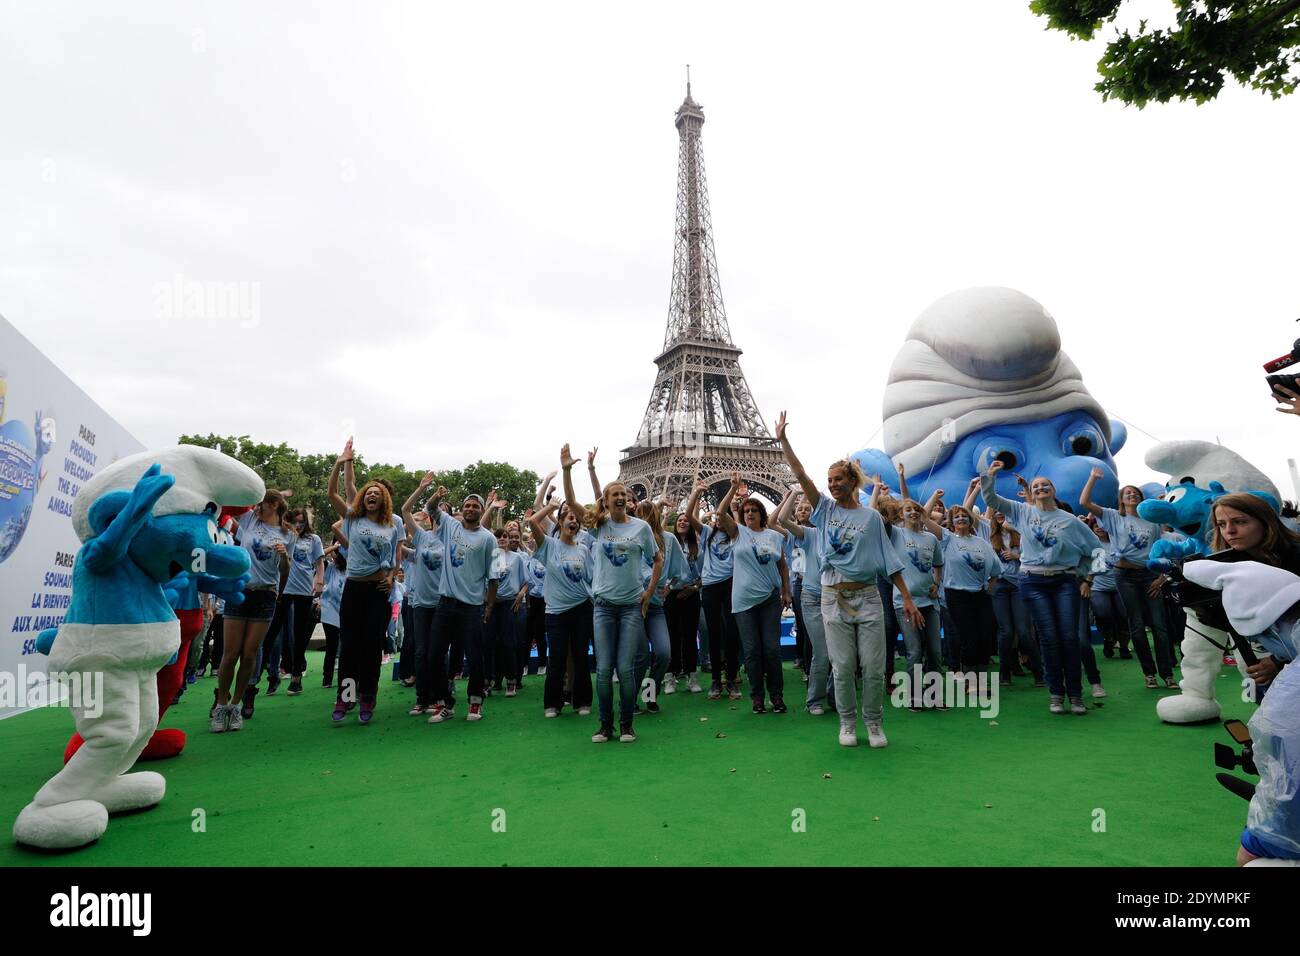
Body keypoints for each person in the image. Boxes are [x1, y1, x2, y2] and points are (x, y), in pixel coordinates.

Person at [777, 411, 923, 748]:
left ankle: (873, 723)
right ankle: (847, 723)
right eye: (829, 481)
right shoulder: (825, 511)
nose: (832, 485)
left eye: (838, 480)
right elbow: (801, 476)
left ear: (852, 481)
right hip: (832, 597)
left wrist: (908, 598)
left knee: (871, 668)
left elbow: (891, 562)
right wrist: (783, 441)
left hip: (869, 597)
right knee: (842, 667)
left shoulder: (871, 518)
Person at [561, 443, 661, 744]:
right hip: (603, 606)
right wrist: (567, 470)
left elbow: (657, 559)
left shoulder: (642, 528)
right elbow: (571, 501)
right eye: (613, 493)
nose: (619, 497)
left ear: (629, 500)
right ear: (605, 501)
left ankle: (627, 724)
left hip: (631, 607)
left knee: (626, 670)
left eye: (623, 494)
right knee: (604, 669)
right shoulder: (599, 526)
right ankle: (605, 725)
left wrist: (648, 593)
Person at [981, 459, 1098, 715]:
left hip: (1064, 581)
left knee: (1069, 637)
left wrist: (1086, 577)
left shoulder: (1070, 520)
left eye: (1045, 485)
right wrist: (989, 475)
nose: (1040, 488)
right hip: (1033, 581)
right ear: (1031, 492)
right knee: (1048, 638)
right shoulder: (1023, 512)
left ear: (1053, 490)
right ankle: (1056, 694)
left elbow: (1097, 551)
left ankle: (1076, 695)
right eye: (1036, 486)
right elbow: (991, 499)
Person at [325, 441, 402, 724]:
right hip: (354, 590)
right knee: (350, 647)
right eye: (368, 492)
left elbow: (395, 559)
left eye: (377, 494)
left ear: (383, 500)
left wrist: (392, 577)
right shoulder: (353, 519)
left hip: (378, 593)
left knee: (371, 648)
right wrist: (342, 461)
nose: (372, 495)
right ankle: (346, 698)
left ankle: (368, 697)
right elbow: (335, 491)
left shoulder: (392, 525)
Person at [1079, 467, 1175, 688]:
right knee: (1137, 625)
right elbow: (1084, 501)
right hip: (1125, 576)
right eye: (1127, 493)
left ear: (1141, 499)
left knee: (1159, 626)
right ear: (1121, 499)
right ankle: (1149, 673)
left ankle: (1167, 674)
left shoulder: (1152, 522)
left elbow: (1160, 550)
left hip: (1151, 575)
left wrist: (1161, 577)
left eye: (1136, 493)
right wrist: (1092, 477)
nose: (1132, 495)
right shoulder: (1113, 517)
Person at [414, 476, 499, 723]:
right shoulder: (450, 526)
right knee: (433, 655)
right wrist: (436, 496)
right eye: (467, 505)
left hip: (472, 607)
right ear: (462, 509)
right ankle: (445, 703)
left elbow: (494, 577)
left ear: (482, 511)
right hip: (445, 604)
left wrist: (489, 606)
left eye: (475, 506)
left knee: (474, 658)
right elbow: (430, 510)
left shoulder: (488, 538)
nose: (470, 509)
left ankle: (475, 703)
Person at [211, 491, 293, 732]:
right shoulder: (249, 520)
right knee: (230, 653)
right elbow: (227, 505)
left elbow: (284, 571)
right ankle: (220, 705)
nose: (257, 506)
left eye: (261, 503)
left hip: (266, 594)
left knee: (249, 654)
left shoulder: (288, 533)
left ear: (274, 505)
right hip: (240, 590)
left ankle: (236, 705)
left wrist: (284, 556)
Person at [715, 474, 790, 713]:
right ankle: (757, 697)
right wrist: (733, 489)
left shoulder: (774, 536)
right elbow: (719, 513)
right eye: (746, 511)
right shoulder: (738, 533)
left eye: (753, 511)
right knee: (752, 651)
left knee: (771, 649)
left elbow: (782, 565)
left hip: (769, 599)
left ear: (761, 514)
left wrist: (786, 591)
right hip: (744, 602)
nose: (749, 514)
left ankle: (776, 696)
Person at [919, 494, 1004, 690]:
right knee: (969, 636)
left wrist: (989, 588)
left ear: (971, 519)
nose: (961, 519)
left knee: (984, 636)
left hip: (980, 594)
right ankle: (970, 681)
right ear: (952, 521)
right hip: (956, 594)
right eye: (956, 516)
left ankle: (981, 680)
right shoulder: (947, 539)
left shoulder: (982, 542)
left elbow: (996, 571)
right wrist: (935, 496)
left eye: (964, 515)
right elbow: (924, 517)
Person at [528, 501, 594, 717]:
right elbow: (532, 521)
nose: (573, 520)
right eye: (568, 517)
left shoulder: (584, 550)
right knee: (556, 658)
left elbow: (591, 578)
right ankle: (552, 703)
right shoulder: (548, 545)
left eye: (576, 518)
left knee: (580, 656)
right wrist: (552, 506)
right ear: (560, 522)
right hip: (555, 612)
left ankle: (582, 701)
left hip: (581, 609)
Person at [683, 479, 743, 700]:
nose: (718, 519)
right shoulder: (708, 533)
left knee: (731, 632)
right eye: (716, 517)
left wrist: (733, 489)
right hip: (710, 587)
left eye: (721, 517)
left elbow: (723, 512)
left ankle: (732, 677)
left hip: (730, 585)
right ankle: (717, 680)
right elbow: (689, 516)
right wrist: (696, 493)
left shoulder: (736, 534)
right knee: (715, 634)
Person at [888, 496, 944, 707]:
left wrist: (936, 584)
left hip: (929, 603)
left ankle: (935, 695)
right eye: (908, 509)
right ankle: (914, 696)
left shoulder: (931, 539)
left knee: (935, 651)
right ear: (901, 514)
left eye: (917, 510)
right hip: (905, 602)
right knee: (915, 651)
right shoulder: (896, 533)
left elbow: (938, 564)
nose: (913, 512)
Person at [778, 490, 830, 714]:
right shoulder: (809, 534)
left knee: (840, 653)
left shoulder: (839, 533)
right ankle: (815, 699)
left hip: (838, 596)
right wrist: (795, 494)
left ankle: (837, 697)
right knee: (822, 651)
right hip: (811, 594)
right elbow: (780, 520)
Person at [635, 499, 684, 713]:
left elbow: (680, 570)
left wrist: (670, 586)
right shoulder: (631, 538)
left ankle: (649, 694)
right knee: (639, 656)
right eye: (640, 514)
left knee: (663, 653)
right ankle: (630, 699)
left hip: (655, 606)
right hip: (632, 606)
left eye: (647, 513)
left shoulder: (669, 540)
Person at [399, 489, 445, 716]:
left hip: (442, 604)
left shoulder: (453, 541)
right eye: (438, 512)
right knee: (420, 651)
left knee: (436, 653)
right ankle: (422, 698)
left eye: (445, 513)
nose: (440, 517)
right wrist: (420, 487)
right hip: (419, 604)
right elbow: (405, 511)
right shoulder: (423, 537)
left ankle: (440, 697)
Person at [281, 507, 325, 696]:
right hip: (282, 588)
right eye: (295, 521)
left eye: (301, 521)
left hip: (304, 590)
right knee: (277, 631)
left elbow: (319, 562)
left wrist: (320, 581)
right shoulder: (284, 536)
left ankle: (296, 676)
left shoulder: (313, 539)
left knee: (299, 634)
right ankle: (271, 674)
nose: (298, 525)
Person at [665, 509, 704, 694]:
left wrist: (694, 589)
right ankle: (670, 675)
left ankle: (690, 674)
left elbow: (705, 574)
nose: (682, 522)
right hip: (672, 594)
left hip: (691, 594)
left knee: (689, 636)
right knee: (672, 636)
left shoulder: (697, 547)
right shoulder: (668, 545)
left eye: (686, 521)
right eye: (679, 520)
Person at [319, 540, 346, 688]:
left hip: (347, 612)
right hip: (329, 611)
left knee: (346, 647)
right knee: (331, 645)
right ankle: (327, 678)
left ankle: (344, 679)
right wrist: (335, 546)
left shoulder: (353, 567)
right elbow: (319, 555)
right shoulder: (330, 567)